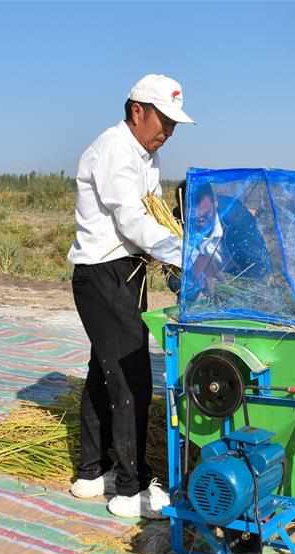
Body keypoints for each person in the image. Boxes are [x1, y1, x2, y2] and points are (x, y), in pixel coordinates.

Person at [66, 74, 195, 519]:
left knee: (104, 372)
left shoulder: (145, 156)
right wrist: (186, 252)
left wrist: (176, 242)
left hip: (125, 273)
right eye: (164, 120)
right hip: (105, 274)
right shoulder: (114, 151)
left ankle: (91, 471)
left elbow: (154, 214)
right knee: (130, 377)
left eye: (175, 124)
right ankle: (130, 489)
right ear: (137, 110)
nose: (169, 131)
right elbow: (133, 223)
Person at [169, 181, 268, 300]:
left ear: (215, 202)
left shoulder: (237, 218)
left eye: (205, 216)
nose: (199, 223)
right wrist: (194, 288)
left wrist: (246, 293)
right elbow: (172, 273)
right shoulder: (175, 223)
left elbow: (256, 263)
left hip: (236, 280)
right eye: (193, 217)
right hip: (200, 288)